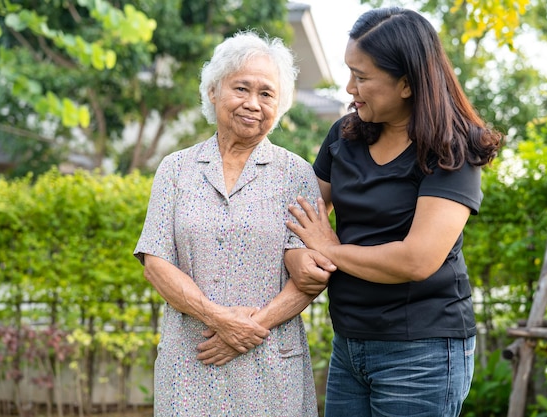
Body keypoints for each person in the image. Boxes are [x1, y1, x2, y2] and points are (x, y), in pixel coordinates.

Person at [284, 7, 504, 417]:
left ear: (407, 83)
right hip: (349, 343)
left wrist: (329, 249)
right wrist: (298, 253)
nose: (350, 87)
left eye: (362, 77)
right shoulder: (344, 136)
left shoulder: (451, 150)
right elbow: (301, 218)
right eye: (350, 72)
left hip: (422, 351)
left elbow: (417, 258)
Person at [133, 30, 331, 416]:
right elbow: (155, 263)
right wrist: (219, 319)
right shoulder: (176, 169)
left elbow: (310, 275)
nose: (253, 103)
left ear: (282, 104)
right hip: (193, 357)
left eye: (267, 93)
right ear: (213, 91)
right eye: (241, 88)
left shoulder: (297, 174)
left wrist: (246, 332)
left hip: (271, 361)